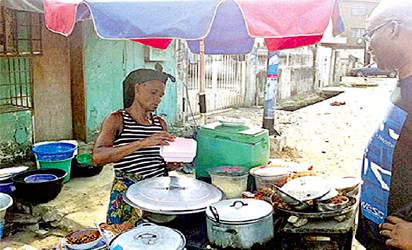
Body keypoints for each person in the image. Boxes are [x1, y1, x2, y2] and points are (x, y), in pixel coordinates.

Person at [92, 64, 182, 225]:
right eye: (153, 93)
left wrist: (169, 165)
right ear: (137, 89)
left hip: (158, 193)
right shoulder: (117, 119)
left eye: (161, 95)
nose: (158, 99)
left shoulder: (160, 123)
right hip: (128, 197)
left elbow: (155, 161)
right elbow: (98, 157)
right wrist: (142, 143)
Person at [356, 1, 412, 249]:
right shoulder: (404, 84)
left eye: (370, 33)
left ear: (393, 29)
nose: (367, 43)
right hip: (381, 235)